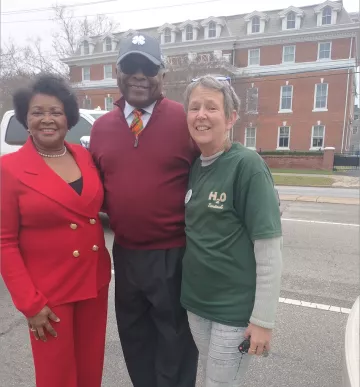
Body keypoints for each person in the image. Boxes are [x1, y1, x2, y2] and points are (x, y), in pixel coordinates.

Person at [89, 33, 199, 387]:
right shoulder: (103, 127)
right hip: (125, 253)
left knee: (175, 341)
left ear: (162, 74)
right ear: (117, 73)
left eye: (148, 67)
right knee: (135, 337)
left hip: (173, 253)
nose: (139, 75)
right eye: (131, 66)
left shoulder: (185, 121)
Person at [0, 74, 111, 387]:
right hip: (48, 296)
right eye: (37, 113)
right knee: (56, 378)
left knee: (90, 373)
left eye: (56, 112)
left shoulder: (85, 157)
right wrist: (30, 304)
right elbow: (4, 242)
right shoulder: (9, 169)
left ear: (69, 118)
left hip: (94, 283)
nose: (47, 119)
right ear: (26, 118)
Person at [181, 75, 283, 387]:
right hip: (196, 308)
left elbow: (269, 252)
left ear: (230, 118)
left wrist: (263, 321)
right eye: (194, 107)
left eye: (211, 107)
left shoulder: (247, 165)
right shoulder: (196, 167)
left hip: (233, 313)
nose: (201, 115)